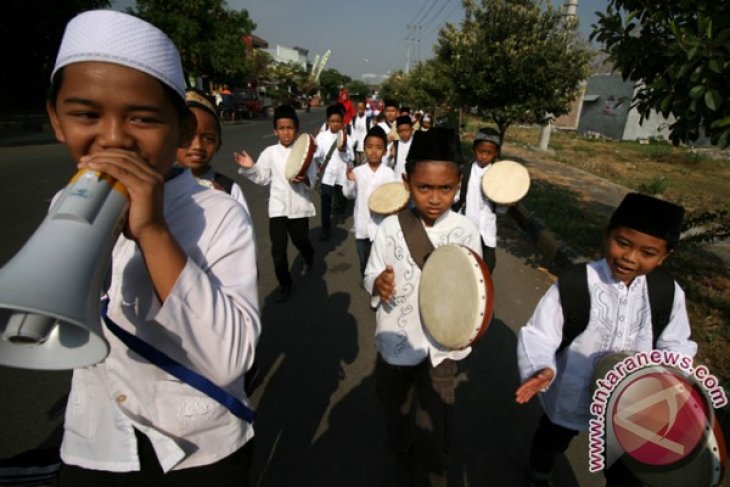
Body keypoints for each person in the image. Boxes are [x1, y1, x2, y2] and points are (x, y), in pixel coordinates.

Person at [47, 10, 260, 486]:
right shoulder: (64, 204)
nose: (114, 138)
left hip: (200, 449)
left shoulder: (219, 212)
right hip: (97, 443)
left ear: (181, 131)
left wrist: (154, 232)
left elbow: (231, 360)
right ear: (56, 121)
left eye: (142, 118)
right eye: (85, 114)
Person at [515, 192, 697, 487]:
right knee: (554, 435)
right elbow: (540, 334)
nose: (629, 257)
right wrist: (541, 368)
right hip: (571, 388)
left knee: (624, 459)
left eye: (647, 253)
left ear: (665, 256)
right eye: (622, 243)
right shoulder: (576, 284)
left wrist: (673, 382)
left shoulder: (666, 291)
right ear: (607, 234)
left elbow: (675, 343)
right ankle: (539, 468)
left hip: (632, 398)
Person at [364, 128, 481, 486]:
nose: (434, 198)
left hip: (441, 345)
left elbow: (475, 289)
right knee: (395, 407)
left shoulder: (465, 230)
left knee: (435, 420)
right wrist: (377, 284)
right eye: (424, 188)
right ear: (407, 182)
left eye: (445, 189)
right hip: (397, 339)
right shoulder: (389, 229)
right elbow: (371, 271)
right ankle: (400, 447)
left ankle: (431, 467)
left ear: (458, 184)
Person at [235, 105, 316, 302]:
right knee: (277, 250)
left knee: (300, 240)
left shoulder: (305, 152)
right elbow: (263, 178)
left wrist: (304, 179)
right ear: (275, 131)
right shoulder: (269, 153)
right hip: (277, 209)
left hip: (298, 207)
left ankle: (309, 254)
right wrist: (251, 167)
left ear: (296, 129)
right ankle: (285, 283)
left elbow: (313, 180)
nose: (286, 132)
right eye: (281, 128)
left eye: (290, 127)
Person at [177, 89, 250, 216]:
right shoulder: (155, 186)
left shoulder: (229, 189)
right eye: (187, 135)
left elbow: (245, 231)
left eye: (208, 139)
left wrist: (225, 206)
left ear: (218, 145)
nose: (198, 146)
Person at [342, 126, 397, 275]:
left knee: (380, 260)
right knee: (363, 259)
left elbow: (392, 198)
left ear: (385, 151)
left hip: (381, 225)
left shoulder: (388, 173)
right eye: (370, 147)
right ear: (364, 149)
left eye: (379, 147)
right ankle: (365, 276)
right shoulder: (358, 172)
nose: (374, 151)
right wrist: (350, 181)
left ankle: (377, 284)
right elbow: (348, 194)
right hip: (362, 224)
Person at [452, 127, 507, 273]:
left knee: (487, 265)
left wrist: (505, 202)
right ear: (474, 150)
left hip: (486, 228)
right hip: (466, 224)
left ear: (496, 153)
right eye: (481, 151)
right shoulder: (466, 170)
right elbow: (456, 197)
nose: (484, 156)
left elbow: (500, 209)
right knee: (463, 263)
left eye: (489, 153)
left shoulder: (497, 174)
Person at [314, 104, 354, 240]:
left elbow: (351, 157)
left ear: (342, 122)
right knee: (325, 202)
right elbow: (317, 154)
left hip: (341, 174)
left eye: (338, 121)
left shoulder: (345, 137)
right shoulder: (322, 137)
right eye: (332, 121)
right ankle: (326, 228)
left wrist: (345, 152)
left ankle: (340, 212)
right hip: (327, 175)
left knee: (340, 197)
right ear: (327, 122)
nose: (335, 124)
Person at [350, 100, 371, 165]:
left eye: (362, 107)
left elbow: (371, 134)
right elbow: (352, 133)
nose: (360, 109)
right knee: (356, 166)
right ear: (356, 108)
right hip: (356, 147)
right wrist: (351, 144)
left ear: (364, 108)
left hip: (365, 148)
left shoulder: (368, 120)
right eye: (358, 107)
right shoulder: (354, 119)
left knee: (364, 167)